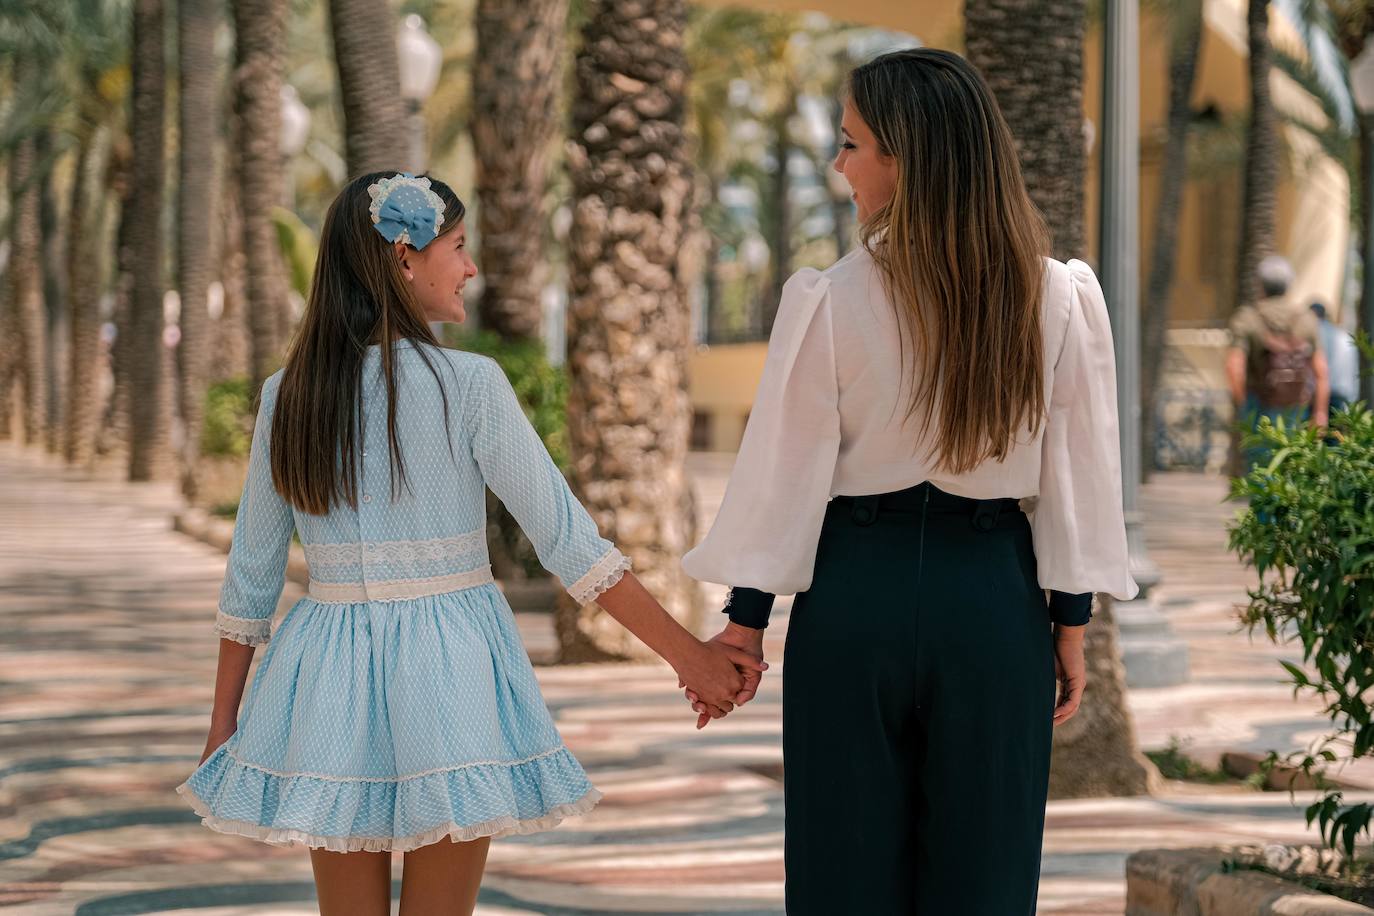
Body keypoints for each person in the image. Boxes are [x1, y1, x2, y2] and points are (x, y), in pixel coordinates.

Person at [175, 172, 763, 916]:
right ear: (403, 257)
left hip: (326, 671)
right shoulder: (469, 386)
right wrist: (695, 658)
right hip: (449, 667)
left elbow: (251, 580)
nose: (472, 266)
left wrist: (223, 724)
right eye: (458, 245)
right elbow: (570, 545)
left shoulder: (288, 394)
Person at [678, 49, 1138, 915]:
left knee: (841, 874)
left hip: (856, 598)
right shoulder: (1059, 298)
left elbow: (787, 476)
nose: (838, 165)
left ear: (905, 156)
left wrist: (745, 625)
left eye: (851, 144)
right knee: (987, 879)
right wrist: (1068, 623)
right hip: (992, 600)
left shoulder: (829, 299)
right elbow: (1079, 477)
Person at [1225, 256, 1329, 471]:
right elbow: (1321, 372)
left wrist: (1244, 403)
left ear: (1260, 284)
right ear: (1289, 285)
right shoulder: (1307, 319)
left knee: (1260, 469)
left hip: (1258, 403)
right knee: (1290, 465)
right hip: (1296, 407)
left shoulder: (1248, 318)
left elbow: (1234, 367)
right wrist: (1320, 413)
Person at [1310, 301, 1359, 414]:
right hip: (1343, 393)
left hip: (1319, 394)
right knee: (1338, 430)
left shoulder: (1314, 334)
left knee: (1312, 430)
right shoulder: (1345, 336)